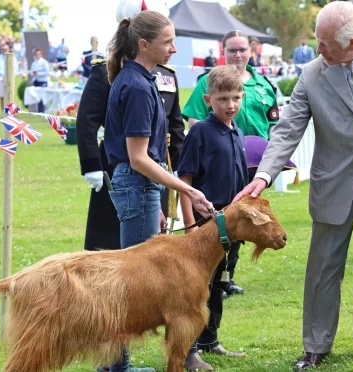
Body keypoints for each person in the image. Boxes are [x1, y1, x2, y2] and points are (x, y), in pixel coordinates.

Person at [233, 1, 353, 369]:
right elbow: (288, 129)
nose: (318, 49)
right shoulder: (313, 73)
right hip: (333, 186)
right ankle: (316, 345)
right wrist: (263, 174)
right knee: (322, 270)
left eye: (325, 43)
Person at [102, 10, 214, 372]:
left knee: (134, 280)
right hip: (137, 183)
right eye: (167, 42)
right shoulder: (135, 86)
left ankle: (115, 364)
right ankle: (116, 365)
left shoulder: (144, 79)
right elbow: (138, 159)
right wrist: (187, 189)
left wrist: (160, 202)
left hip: (143, 188)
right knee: (132, 285)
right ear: (144, 44)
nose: (174, 49)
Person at [76, 3, 185, 255]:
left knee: (142, 250)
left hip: (153, 166)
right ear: (142, 40)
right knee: (111, 242)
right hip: (123, 164)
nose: (172, 48)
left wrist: (176, 164)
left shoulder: (160, 74)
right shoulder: (119, 74)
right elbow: (87, 120)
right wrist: (91, 165)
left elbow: (174, 123)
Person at [183, 30, 280, 298]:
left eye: (242, 49)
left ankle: (227, 280)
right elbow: (193, 120)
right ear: (223, 51)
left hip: (250, 168)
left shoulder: (262, 84)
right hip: (213, 174)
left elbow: (273, 125)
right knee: (210, 248)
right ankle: (212, 287)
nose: (238, 54)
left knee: (238, 234)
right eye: (232, 50)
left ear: (251, 50)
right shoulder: (209, 84)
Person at [177, 65, 249, 371]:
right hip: (205, 225)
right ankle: (189, 351)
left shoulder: (238, 132)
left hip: (231, 227)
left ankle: (210, 340)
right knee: (197, 289)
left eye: (235, 97)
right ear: (208, 99)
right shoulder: (200, 132)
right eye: (222, 99)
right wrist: (191, 225)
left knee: (220, 283)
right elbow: (184, 181)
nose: (230, 105)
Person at [0, 42, 19, 113]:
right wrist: (5, 75)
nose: (4, 50)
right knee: (2, 96)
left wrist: (9, 75)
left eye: (5, 49)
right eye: (2, 49)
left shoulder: (13, 58)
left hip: (10, 79)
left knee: (11, 95)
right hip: (1, 79)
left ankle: (12, 112)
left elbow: (15, 68)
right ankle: (3, 112)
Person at [28, 48, 51, 113]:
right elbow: (31, 72)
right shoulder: (34, 63)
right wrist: (34, 74)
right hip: (36, 81)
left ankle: (42, 111)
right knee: (36, 96)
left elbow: (47, 72)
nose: (37, 55)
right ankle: (38, 111)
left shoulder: (44, 62)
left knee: (42, 96)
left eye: (39, 54)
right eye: (36, 54)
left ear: (41, 54)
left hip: (43, 81)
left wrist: (39, 74)